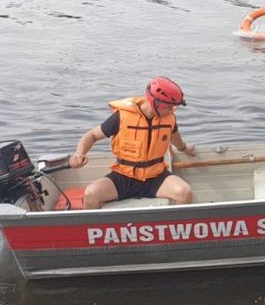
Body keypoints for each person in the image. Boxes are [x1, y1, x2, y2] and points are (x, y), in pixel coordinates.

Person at [68, 76, 197, 209]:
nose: (173, 110)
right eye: (169, 107)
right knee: (91, 194)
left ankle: (172, 228)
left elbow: (174, 137)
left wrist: (184, 148)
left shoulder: (169, 118)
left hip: (156, 176)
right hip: (124, 177)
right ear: (155, 102)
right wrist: (79, 154)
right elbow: (92, 135)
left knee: (185, 193)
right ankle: (94, 228)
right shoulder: (121, 117)